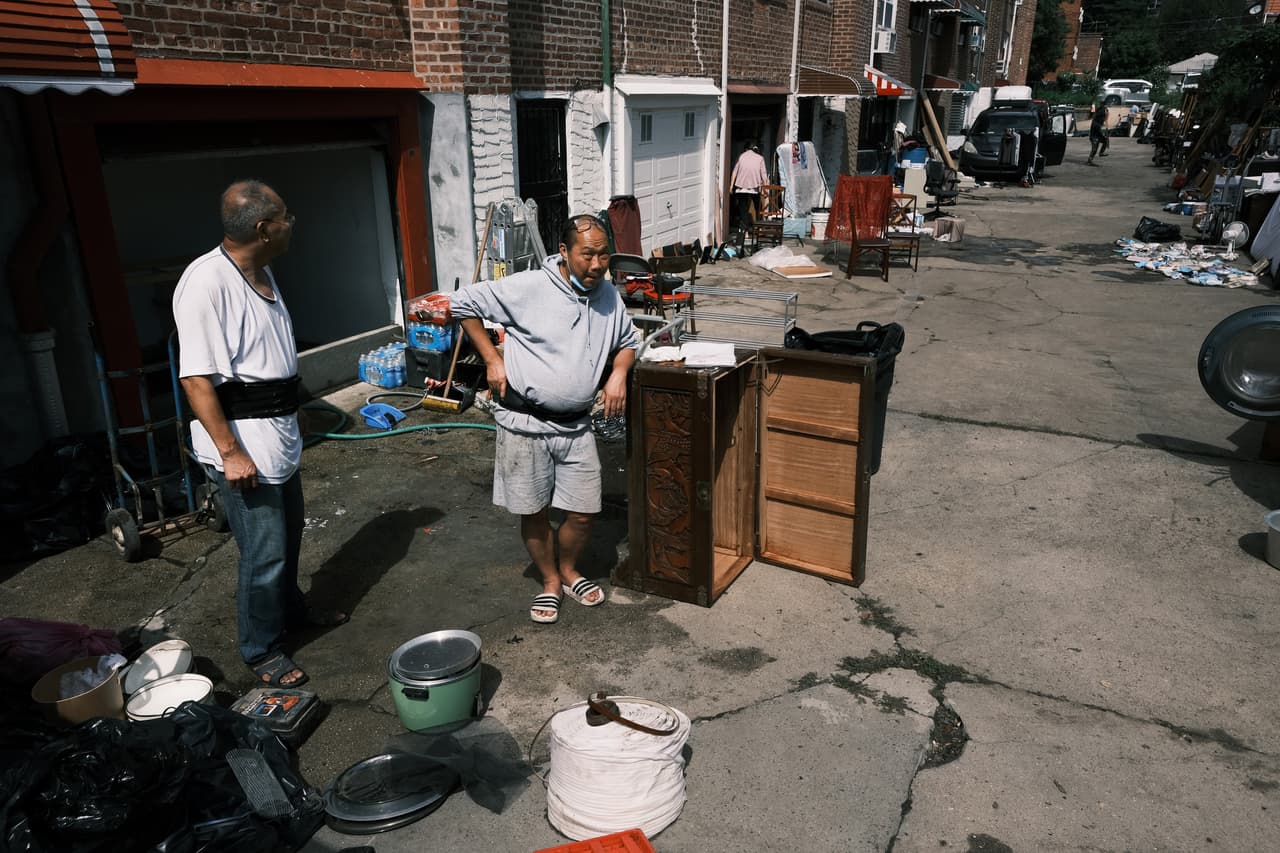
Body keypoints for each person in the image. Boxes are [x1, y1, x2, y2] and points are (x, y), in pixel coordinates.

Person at [173, 180, 347, 689]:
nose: (293, 223)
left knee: (288, 537)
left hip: (277, 434)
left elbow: (267, 358)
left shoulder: (264, 271)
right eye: (286, 216)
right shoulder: (206, 282)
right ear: (263, 228)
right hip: (244, 449)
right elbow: (196, 379)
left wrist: (295, 408)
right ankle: (261, 647)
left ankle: (290, 611)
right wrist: (230, 453)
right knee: (263, 552)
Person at [450, 214, 639, 624]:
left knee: (584, 511)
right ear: (564, 253)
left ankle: (571, 570)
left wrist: (619, 373)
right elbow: (462, 303)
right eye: (587, 254)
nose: (596, 264)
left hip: (576, 426)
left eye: (603, 255)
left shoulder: (608, 294)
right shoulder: (530, 287)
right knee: (533, 510)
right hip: (525, 424)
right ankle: (551, 579)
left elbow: (627, 341)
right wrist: (492, 359)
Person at [730, 141, 769, 236]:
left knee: (743, 209)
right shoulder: (760, 158)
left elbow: (734, 172)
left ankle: (745, 232)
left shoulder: (741, 156)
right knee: (758, 208)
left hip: (741, 187)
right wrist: (766, 189)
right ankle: (759, 229)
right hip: (754, 188)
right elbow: (763, 175)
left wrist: (731, 186)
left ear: (746, 149)